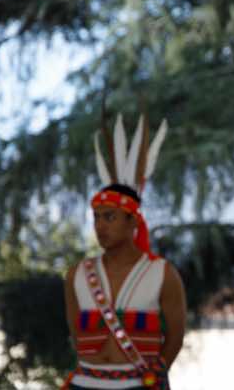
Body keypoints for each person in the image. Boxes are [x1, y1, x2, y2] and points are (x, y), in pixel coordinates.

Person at [62, 114, 186, 390]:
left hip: (139, 382)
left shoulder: (162, 273)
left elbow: (176, 336)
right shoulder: (76, 275)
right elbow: (75, 333)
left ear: (133, 222)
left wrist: (155, 375)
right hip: (85, 381)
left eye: (110, 217)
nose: (100, 226)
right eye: (96, 217)